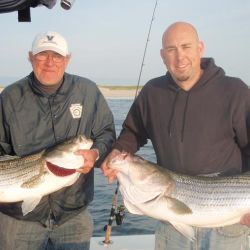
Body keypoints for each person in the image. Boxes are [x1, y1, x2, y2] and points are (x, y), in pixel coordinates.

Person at [101, 21, 250, 250]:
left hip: (228, 221)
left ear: (200, 48)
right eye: (171, 49)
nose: (180, 57)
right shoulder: (153, 92)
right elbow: (133, 131)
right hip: (171, 224)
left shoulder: (235, 90)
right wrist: (118, 153)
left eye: (186, 47)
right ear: (162, 55)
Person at [0, 31, 116, 250]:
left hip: (73, 215)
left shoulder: (87, 92)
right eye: (42, 55)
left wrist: (96, 152)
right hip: (18, 221)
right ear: (30, 57)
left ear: (68, 59)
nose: (50, 63)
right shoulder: (9, 98)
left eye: (58, 56)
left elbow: (106, 132)